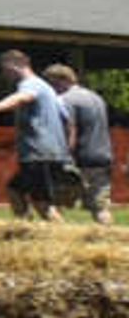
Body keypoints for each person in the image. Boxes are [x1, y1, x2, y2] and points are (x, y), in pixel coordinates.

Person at [0, 50, 76, 215]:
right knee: (15, 191)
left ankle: (64, 238)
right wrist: (66, 149)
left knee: (42, 204)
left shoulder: (30, 84)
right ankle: (25, 228)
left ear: (14, 65)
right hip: (48, 153)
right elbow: (67, 121)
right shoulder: (47, 88)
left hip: (38, 154)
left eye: (5, 70)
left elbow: (21, 98)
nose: (5, 75)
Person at [49, 64, 113, 221]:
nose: (52, 88)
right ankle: (107, 240)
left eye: (53, 83)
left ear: (63, 80)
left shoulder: (64, 100)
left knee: (55, 203)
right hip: (103, 157)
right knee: (100, 207)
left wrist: (61, 158)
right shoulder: (96, 97)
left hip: (79, 158)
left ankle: (59, 242)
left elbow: (69, 130)